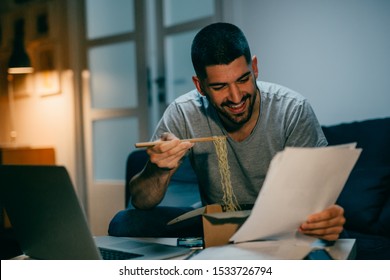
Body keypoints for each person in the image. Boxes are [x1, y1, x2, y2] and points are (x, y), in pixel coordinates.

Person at [109, 22, 345, 241]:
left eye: (243, 79)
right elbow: (140, 201)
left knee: (336, 241)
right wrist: (157, 168)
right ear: (200, 86)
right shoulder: (184, 113)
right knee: (124, 222)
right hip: (216, 221)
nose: (236, 97)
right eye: (219, 86)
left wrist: (325, 218)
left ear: (254, 67)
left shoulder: (292, 110)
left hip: (280, 225)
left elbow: (317, 199)